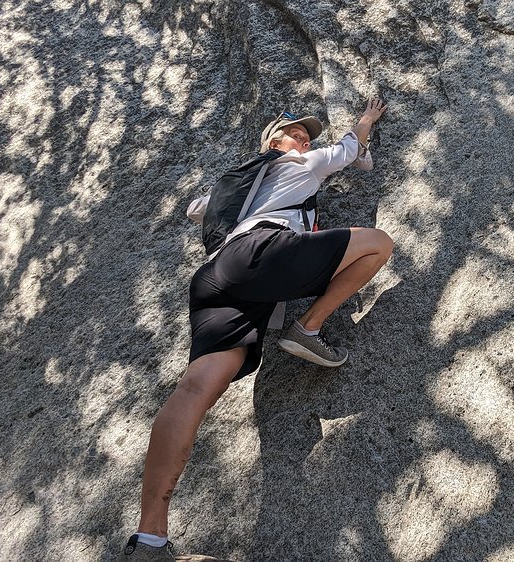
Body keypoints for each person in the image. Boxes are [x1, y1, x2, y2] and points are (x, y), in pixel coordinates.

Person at [117, 99, 393, 561]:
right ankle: (309, 327)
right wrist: (365, 123)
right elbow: (347, 151)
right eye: (294, 133)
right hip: (262, 251)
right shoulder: (296, 163)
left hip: (214, 277)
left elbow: (197, 210)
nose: (305, 139)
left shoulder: (235, 185)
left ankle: (149, 539)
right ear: (272, 142)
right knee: (377, 244)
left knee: (194, 389)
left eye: (307, 136)